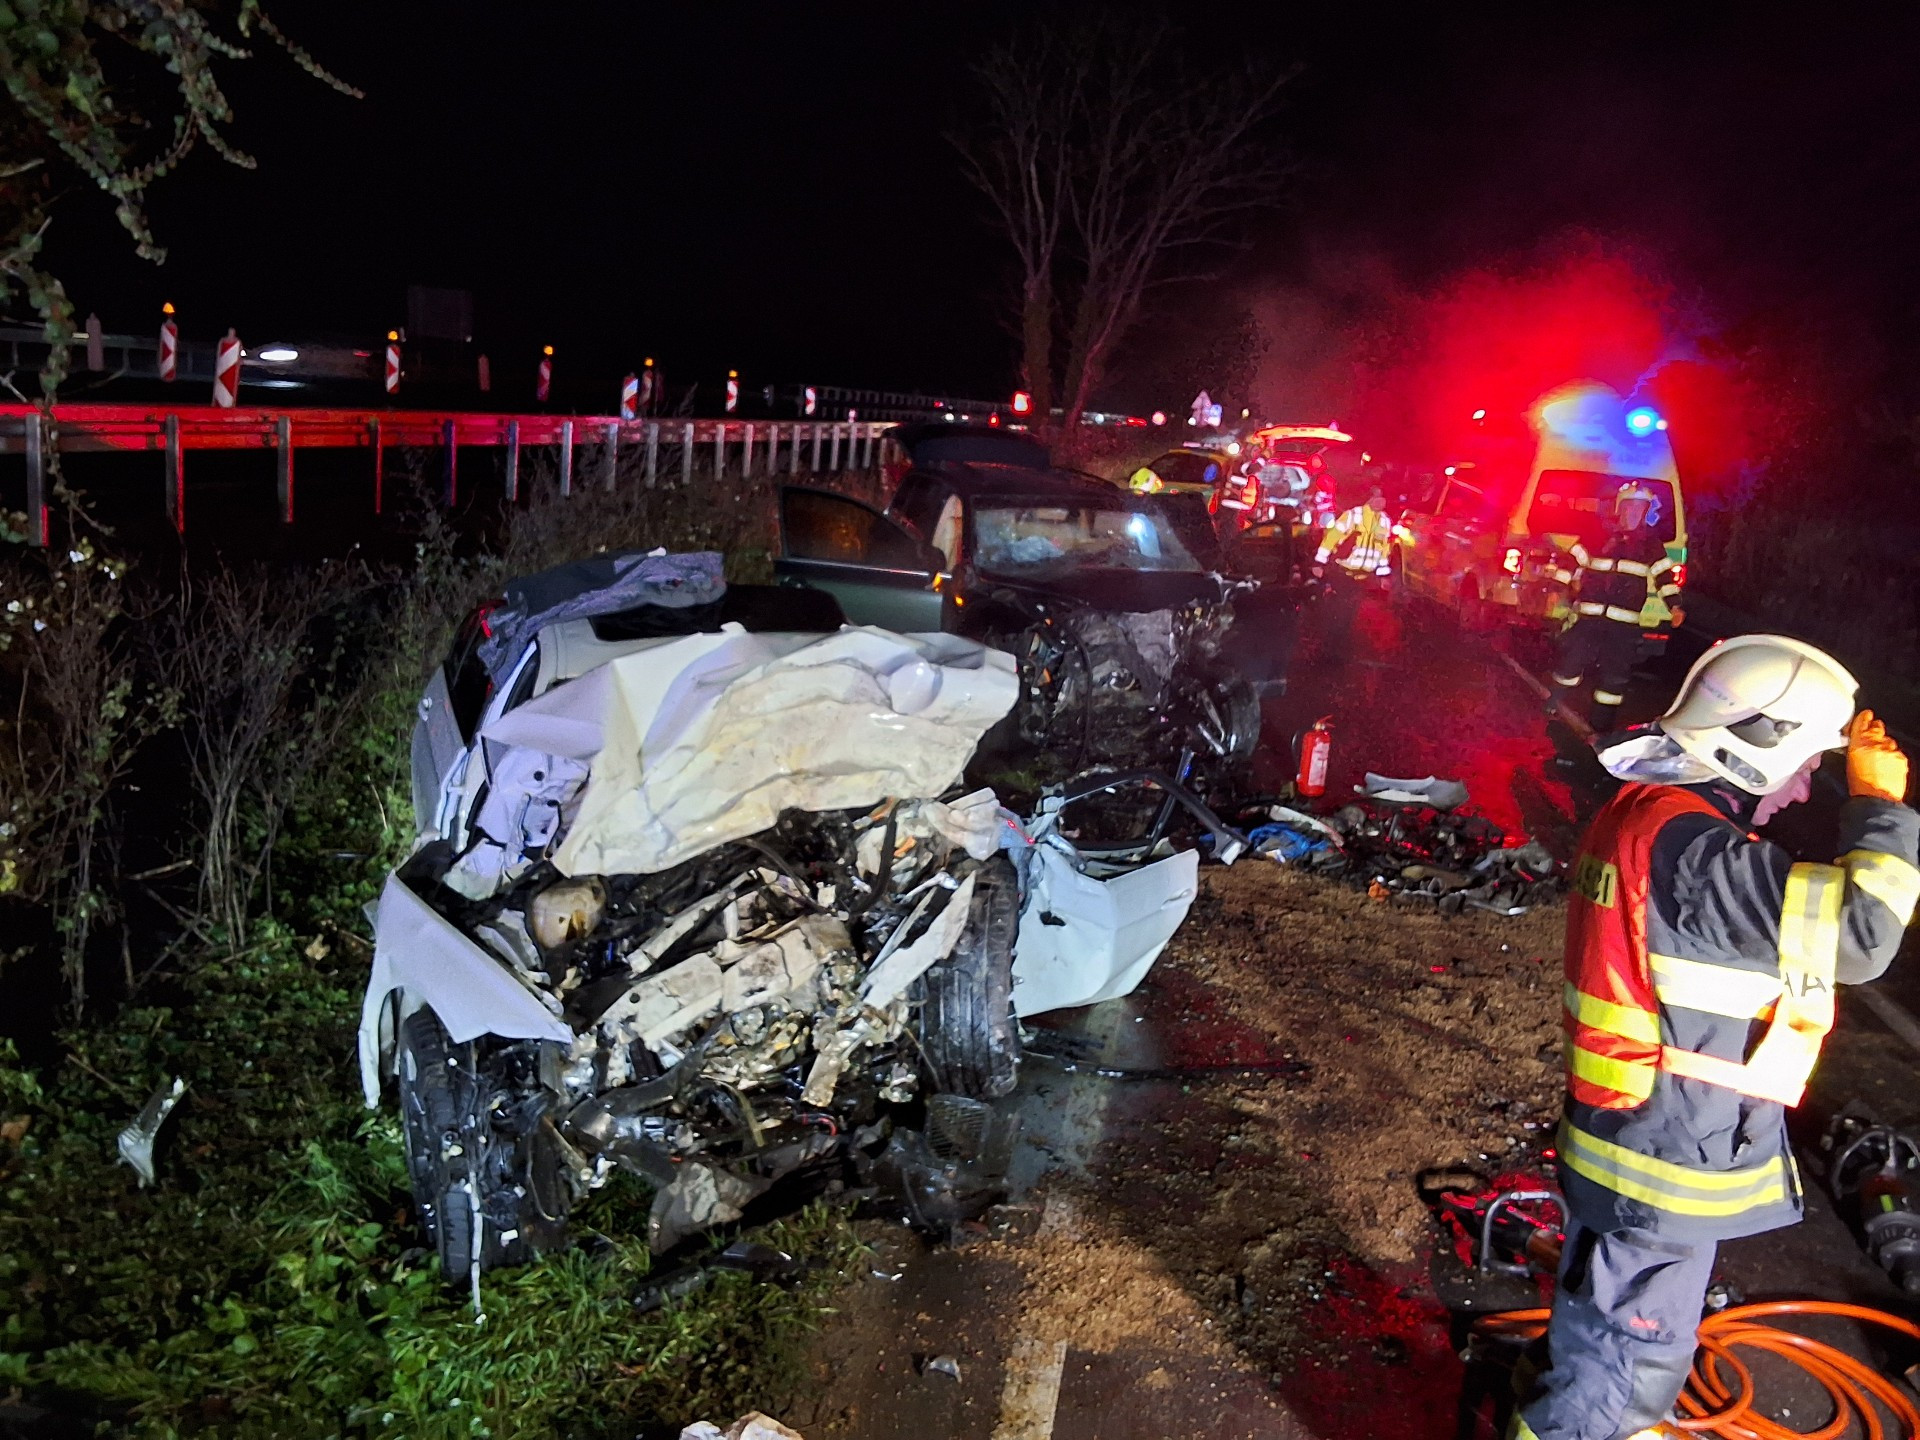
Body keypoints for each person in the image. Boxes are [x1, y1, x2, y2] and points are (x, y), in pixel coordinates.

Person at [1514, 635, 1919, 1440]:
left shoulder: (1647, 816)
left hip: (1632, 1137)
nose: (1804, 788)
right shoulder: (1699, 856)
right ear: (1753, 748)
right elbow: (1862, 935)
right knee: (1626, 1366)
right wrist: (1880, 807)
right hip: (1663, 1159)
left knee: (1605, 1336)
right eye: (1806, 763)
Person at [1546, 484, 1683, 731]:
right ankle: (1553, 701)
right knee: (1571, 663)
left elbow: (1664, 578)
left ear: (1646, 513)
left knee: (1614, 678)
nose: (1633, 513)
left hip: (1623, 627)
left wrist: (1674, 607)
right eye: (1629, 507)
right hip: (1589, 618)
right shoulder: (1596, 536)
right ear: (1619, 509)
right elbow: (1570, 562)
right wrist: (1557, 589)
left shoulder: (1650, 545)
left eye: (1639, 508)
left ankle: (1601, 726)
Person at [1312, 487, 1398, 658]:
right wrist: (1319, 563)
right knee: (1339, 611)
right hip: (1343, 572)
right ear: (1369, 499)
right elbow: (1332, 538)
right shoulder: (1353, 515)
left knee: (1349, 614)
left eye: (1383, 499)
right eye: (1377, 498)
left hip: (1362, 576)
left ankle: (1337, 649)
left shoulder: (1385, 522)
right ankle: (1329, 649)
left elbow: (1383, 551)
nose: (1380, 502)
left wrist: (1383, 576)